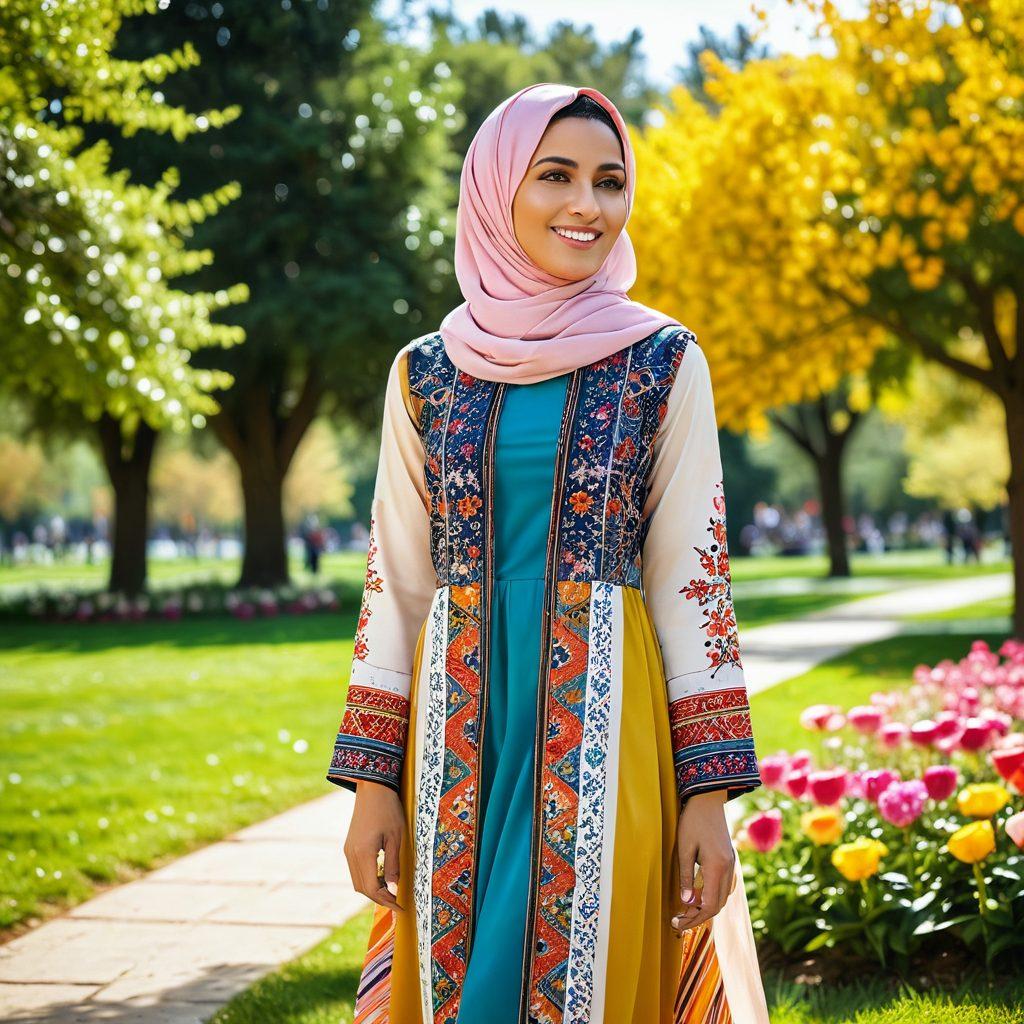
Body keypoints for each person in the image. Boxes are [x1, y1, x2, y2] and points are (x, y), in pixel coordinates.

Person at [325, 83, 768, 1024]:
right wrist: (372, 786)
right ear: (495, 189)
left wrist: (710, 797)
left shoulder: (662, 361)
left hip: (609, 726)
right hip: (453, 738)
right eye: (556, 175)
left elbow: (696, 585)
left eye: (610, 182)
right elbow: (396, 585)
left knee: (591, 986)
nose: (588, 206)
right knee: (460, 990)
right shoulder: (426, 373)